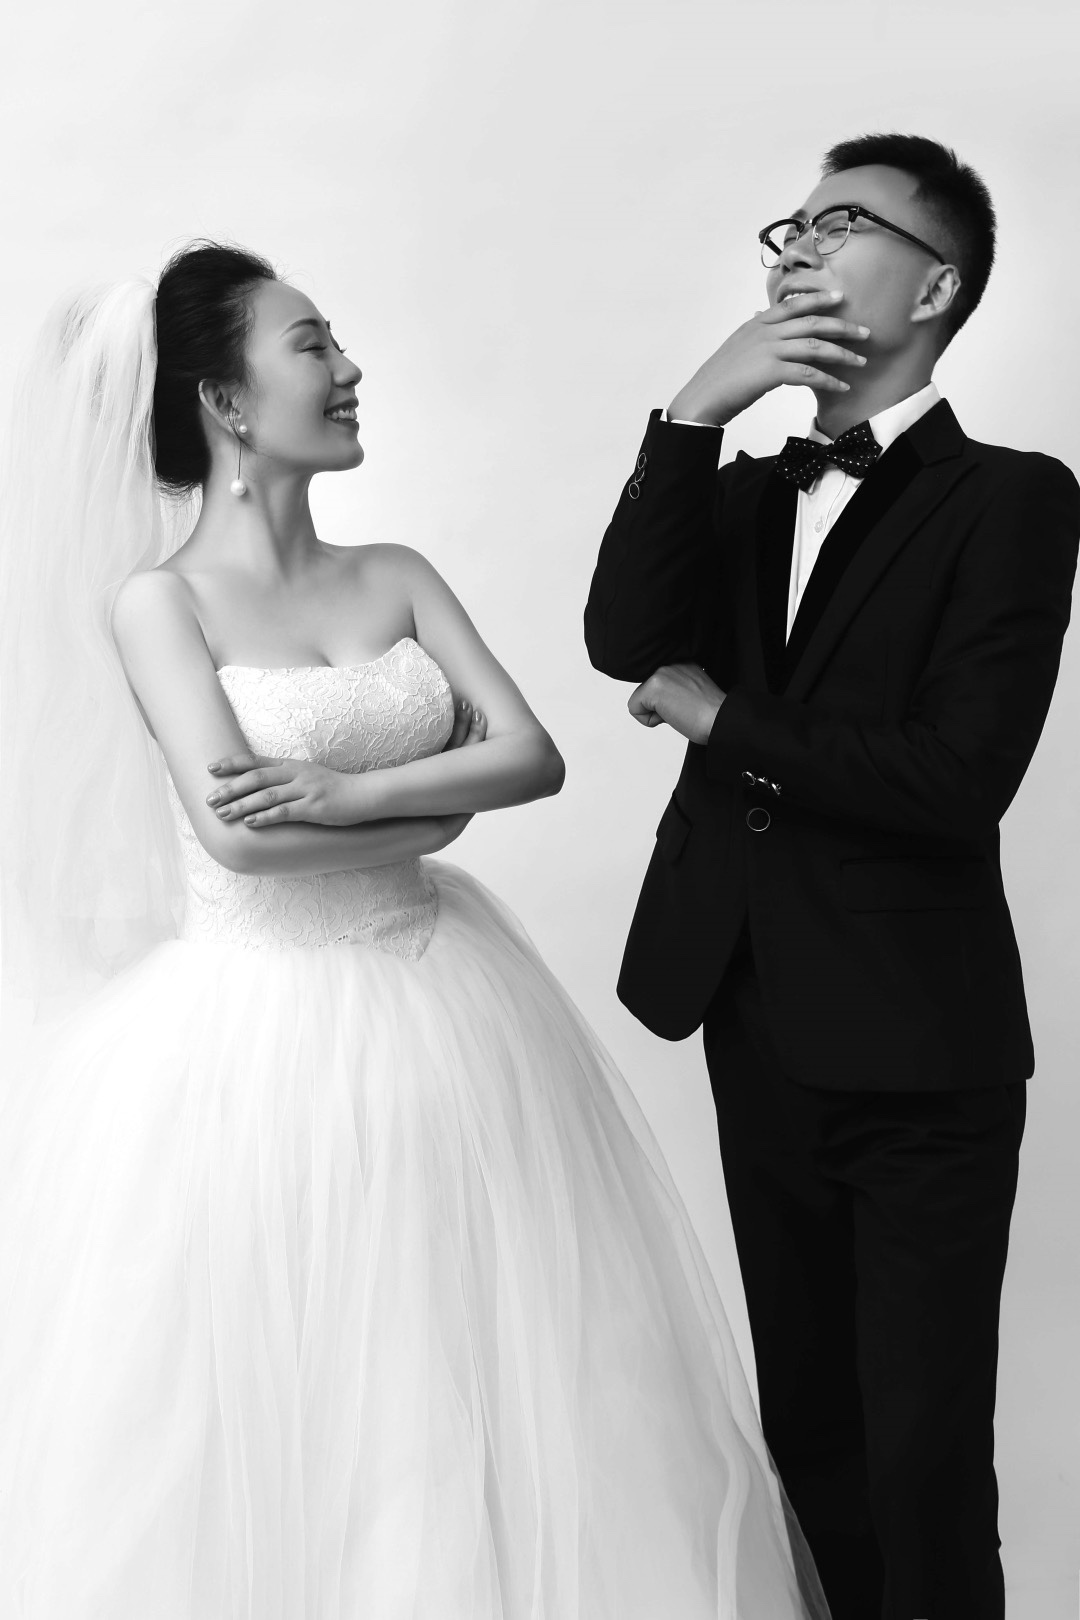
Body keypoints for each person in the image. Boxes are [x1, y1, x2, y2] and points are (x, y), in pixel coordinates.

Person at [0, 242, 830, 1619]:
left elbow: (532, 755)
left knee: (487, 1363)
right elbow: (240, 838)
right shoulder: (160, 602)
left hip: (452, 1012)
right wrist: (432, 811)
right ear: (224, 401)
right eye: (311, 344)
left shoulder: (395, 572)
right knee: (292, 1387)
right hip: (254, 1046)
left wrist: (351, 796)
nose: (349, 367)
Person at [584, 133, 1080, 1619]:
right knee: (810, 1433)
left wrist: (721, 718)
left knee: (922, 1459)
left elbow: (955, 777)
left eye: (843, 223)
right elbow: (622, 638)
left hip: (922, 1050)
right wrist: (694, 412)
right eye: (788, 228)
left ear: (934, 288)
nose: (798, 247)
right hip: (752, 1011)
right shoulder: (739, 494)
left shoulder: (1013, 498)